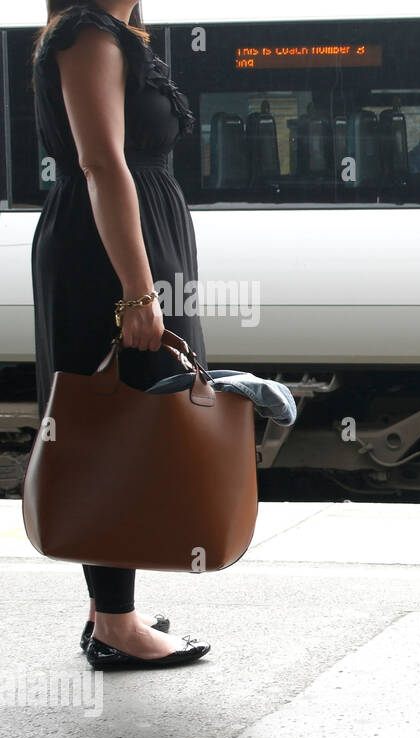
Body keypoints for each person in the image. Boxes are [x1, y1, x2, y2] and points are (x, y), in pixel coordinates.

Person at [30, 0, 210, 669]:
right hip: (107, 255)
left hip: (129, 244)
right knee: (116, 417)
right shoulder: (87, 33)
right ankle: (116, 622)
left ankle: (110, 607)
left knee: (129, 414)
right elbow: (103, 162)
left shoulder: (110, 35)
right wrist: (137, 289)